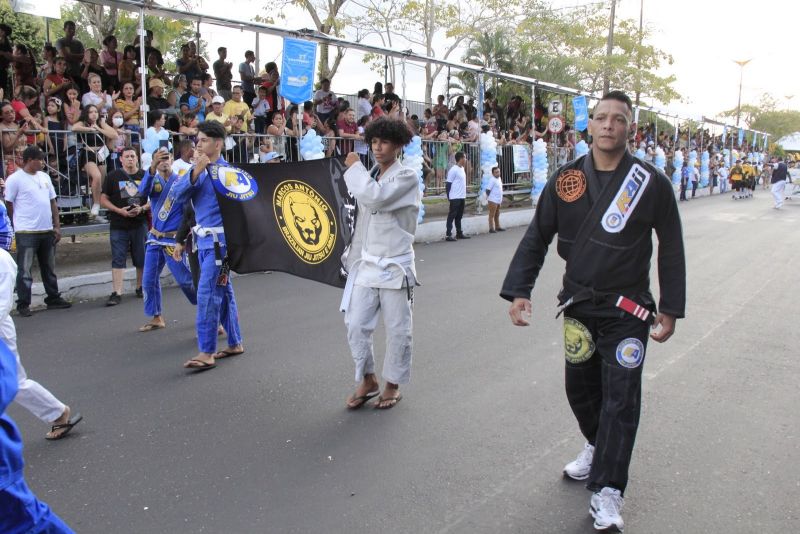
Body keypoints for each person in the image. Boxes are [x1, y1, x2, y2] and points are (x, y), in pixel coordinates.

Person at [501, 91, 686, 532]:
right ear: (591, 127)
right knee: (580, 389)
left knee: (622, 399)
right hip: (580, 306)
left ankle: (608, 488)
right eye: (601, 118)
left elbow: (671, 246)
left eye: (617, 119)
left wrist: (671, 307)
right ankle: (596, 445)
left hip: (628, 311)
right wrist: (519, 289)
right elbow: (537, 235)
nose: (607, 125)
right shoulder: (568, 180)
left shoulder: (650, 182)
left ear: (630, 128)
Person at [341, 117, 420, 410]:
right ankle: (368, 378)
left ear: (398, 145)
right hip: (367, 265)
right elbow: (361, 219)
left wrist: (354, 168)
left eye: (384, 142)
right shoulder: (369, 175)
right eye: (373, 141)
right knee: (356, 323)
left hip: (395, 267)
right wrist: (352, 260)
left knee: (399, 329)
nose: (377, 147)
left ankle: (393, 385)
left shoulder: (407, 177)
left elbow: (375, 199)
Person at [169, 121, 244, 371]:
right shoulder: (196, 171)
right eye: (196, 141)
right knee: (225, 293)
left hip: (219, 245)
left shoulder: (228, 172)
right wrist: (195, 172)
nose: (197, 145)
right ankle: (234, 342)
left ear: (218, 144)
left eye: (203, 140)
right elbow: (177, 197)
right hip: (202, 243)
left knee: (206, 294)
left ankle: (207, 350)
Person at [4, 146, 72, 316]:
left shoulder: (45, 177)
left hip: (46, 229)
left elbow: (52, 203)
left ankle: (53, 297)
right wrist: (16, 225)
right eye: (39, 159)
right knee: (25, 270)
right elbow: (9, 204)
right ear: (28, 161)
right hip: (26, 231)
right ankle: (23, 303)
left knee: (49, 267)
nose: (42, 163)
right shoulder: (15, 179)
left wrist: (56, 226)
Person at [137, 149, 197, 331]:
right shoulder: (153, 180)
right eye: (159, 159)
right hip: (155, 238)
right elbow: (142, 192)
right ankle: (156, 316)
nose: (163, 162)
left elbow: (188, 211)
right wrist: (152, 167)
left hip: (173, 239)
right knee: (148, 280)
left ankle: (208, 311)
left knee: (185, 279)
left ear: (172, 160)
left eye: (166, 158)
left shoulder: (180, 181)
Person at [99, 146, 148, 306]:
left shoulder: (144, 175)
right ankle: (117, 291)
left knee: (141, 257)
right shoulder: (113, 176)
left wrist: (142, 208)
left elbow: (152, 199)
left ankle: (140, 287)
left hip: (139, 223)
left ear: (137, 158)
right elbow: (103, 199)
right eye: (127, 156)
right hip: (119, 224)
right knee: (118, 258)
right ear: (121, 159)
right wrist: (119, 210)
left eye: (133, 156)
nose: (130, 159)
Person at [72, 104, 118, 219]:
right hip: (88, 153)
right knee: (96, 176)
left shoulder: (101, 123)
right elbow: (74, 128)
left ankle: (95, 207)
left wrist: (98, 128)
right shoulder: (83, 123)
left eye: (96, 112)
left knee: (100, 183)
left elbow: (114, 134)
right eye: (91, 112)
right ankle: (96, 205)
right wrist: (89, 129)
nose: (94, 114)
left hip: (101, 154)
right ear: (87, 113)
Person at [445, 151, 469, 241]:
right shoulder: (453, 169)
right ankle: (448, 234)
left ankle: (459, 233)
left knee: (459, 216)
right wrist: (449, 196)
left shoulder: (462, 168)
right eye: (465, 158)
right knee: (452, 216)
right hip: (454, 197)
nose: (466, 160)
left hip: (462, 196)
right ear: (461, 159)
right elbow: (448, 184)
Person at [486, 166, 505, 233]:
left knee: (497, 214)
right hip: (493, 200)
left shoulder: (499, 178)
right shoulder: (492, 180)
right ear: (493, 173)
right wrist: (488, 198)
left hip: (498, 200)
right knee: (492, 214)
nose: (498, 173)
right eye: (496, 172)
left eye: (498, 172)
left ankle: (497, 227)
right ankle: (491, 228)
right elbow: (488, 190)